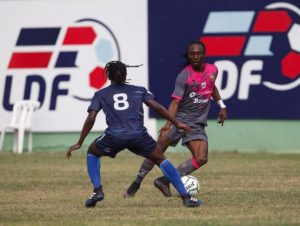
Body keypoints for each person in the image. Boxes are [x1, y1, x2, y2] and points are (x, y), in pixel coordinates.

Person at [66, 60, 202, 208]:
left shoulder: (100, 94)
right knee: (160, 159)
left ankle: (97, 190)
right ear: (125, 75)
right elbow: (156, 106)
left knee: (92, 152)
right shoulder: (140, 90)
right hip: (139, 136)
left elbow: (91, 117)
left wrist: (80, 141)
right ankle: (186, 197)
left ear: (108, 76)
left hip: (114, 136)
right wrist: (176, 123)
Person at [124, 40, 228, 198]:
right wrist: (168, 123)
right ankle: (137, 181)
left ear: (204, 55)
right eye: (192, 53)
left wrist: (222, 105)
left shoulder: (213, 70)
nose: (195, 56)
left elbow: (211, 86)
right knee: (156, 151)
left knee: (201, 158)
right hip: (178, 119)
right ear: (188, 56)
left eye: (198, 53)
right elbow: (175, 102)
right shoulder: (184, 76)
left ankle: (164, 180)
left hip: (197, 123)